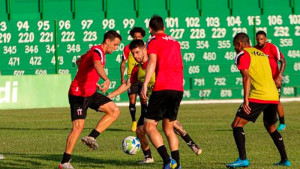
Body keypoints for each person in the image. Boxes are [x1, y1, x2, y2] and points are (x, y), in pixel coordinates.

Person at [108, 39, 202, 164]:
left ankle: (173, 159)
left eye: (137, 52)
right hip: (152, 102)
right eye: (133, 54)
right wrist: (110, 95)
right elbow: (127, 84)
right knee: (141, 130)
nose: (135, 56)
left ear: (144, 50)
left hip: (162, 98)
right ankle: (150, 157)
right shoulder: (136, 69)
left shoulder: (156, 64)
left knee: (166, 126)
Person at [58, 30, 122, 169]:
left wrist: (91, 80)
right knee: (78, 127)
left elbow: (79, 61)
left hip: (90, 91)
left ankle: (91, 137)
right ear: (107, 41)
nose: (116, 48)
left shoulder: (93, 50)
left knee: (114, 110)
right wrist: (105, 79)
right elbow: (96, 64)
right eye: (115, 45)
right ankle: (64, 162)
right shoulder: (97, 52)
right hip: (78, 94)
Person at [226, 33, 291, 168]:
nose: (235, 49)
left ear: (239, 44)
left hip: (259, 95)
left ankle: (243, 159)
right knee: (271, 126)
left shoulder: (242, 55)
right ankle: (285, 160)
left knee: (237, 124)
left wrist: (246, 100)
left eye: (235, 46)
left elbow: (246, 77)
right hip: (273, 95)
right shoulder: (261, 53)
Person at [141, 15, 184, 169]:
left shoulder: (152, 40)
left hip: (163, 87)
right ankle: (177, 164)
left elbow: (152, 61)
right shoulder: (175, 42)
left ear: (150, 29)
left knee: (149, 126)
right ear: (164, 28)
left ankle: (167, 161)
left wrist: (145, 84)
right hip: (178, 88)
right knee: (168, 128)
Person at [255, 31, 287, 131]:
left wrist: (279, 76)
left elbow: (283, 61)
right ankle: (273, 118)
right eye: (258, 39)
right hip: (264, 82)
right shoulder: (255, 49)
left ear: (266, 39)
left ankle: (282, 123)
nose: (260, 41)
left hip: (275, 80)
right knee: (264, 102)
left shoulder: (272, 48)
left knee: (276, 101)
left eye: (261, 39)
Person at [120, 27, 146, 132]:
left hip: (143, 76)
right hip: (131, 77)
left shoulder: (146, 47)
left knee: (144, 101)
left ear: (142, 37)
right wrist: (122, 77)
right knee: (132, 101)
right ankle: (134, 121)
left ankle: (143, 122)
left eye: (138, 37)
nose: (136, 38)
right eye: (134, 37)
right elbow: (123, 63)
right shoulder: (127, 48)